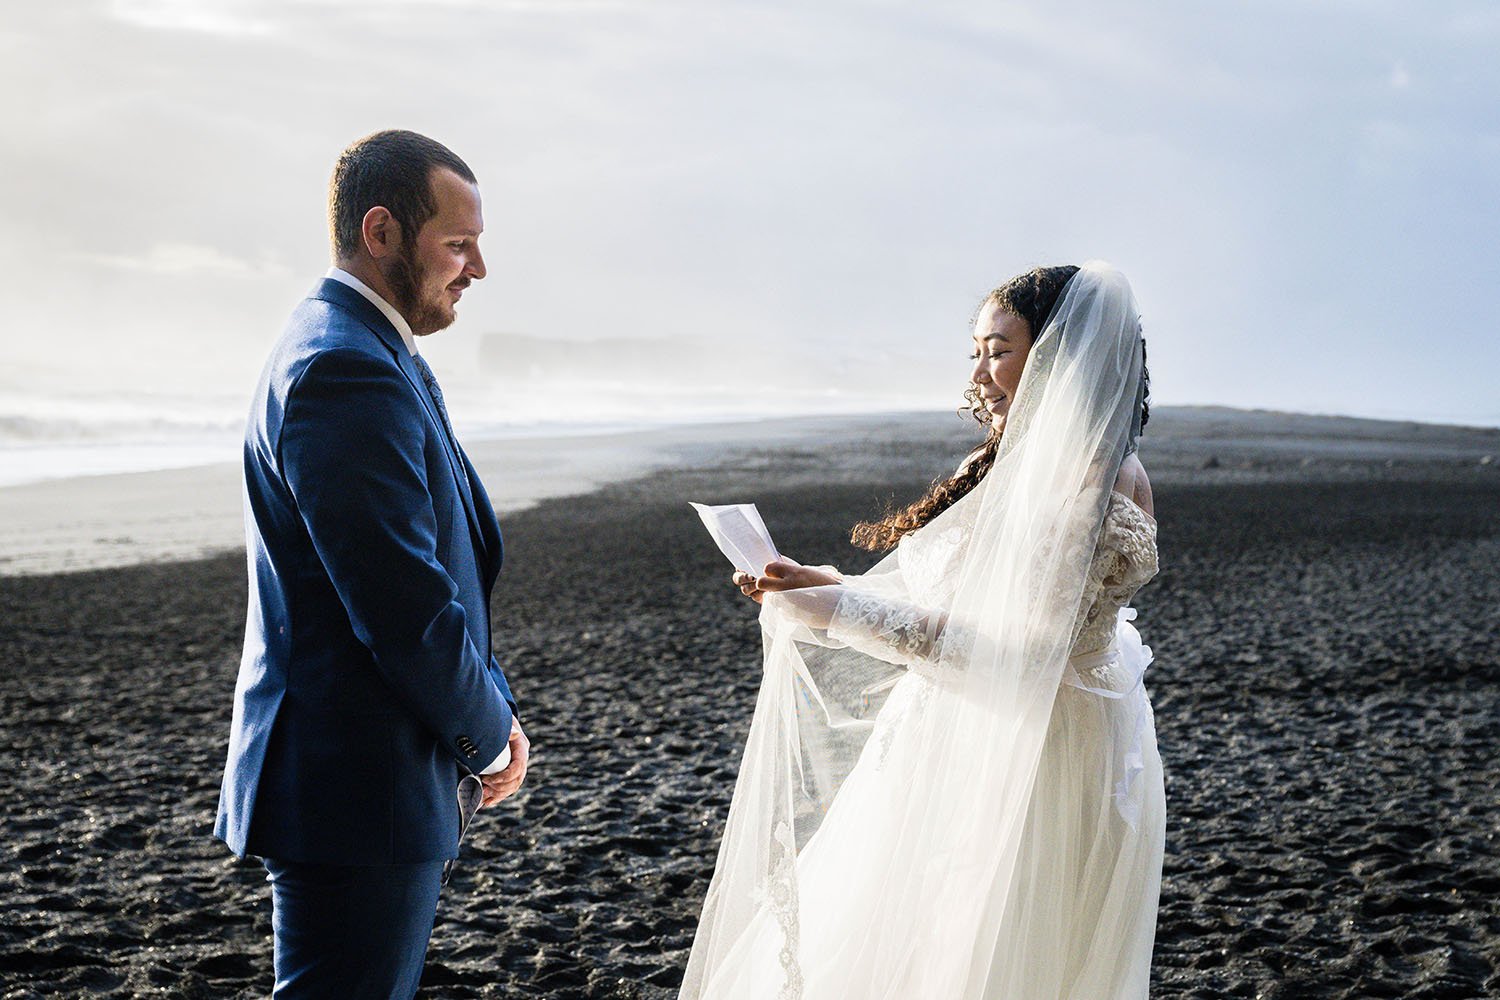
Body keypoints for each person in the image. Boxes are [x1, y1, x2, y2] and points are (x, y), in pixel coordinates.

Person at [680, 262, 1162, 999]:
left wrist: (840, 615)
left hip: (1047, 745)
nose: (980, 370)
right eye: (977, 349)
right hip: (950, 723)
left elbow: (1023, 650)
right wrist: (823, 585)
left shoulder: (1096, 479)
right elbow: (942, 595)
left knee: (1003, 950)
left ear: (1059, 357)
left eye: (998, 350)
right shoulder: (995, 464)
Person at [214, 130, 531, 999]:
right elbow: (402, 606)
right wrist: (489, 726)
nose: (477, 268)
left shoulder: (370, 347)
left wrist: (488, 708)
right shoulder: (342, 369)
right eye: (457, 244)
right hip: (354, 789)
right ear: (382, 232)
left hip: (369, 783)